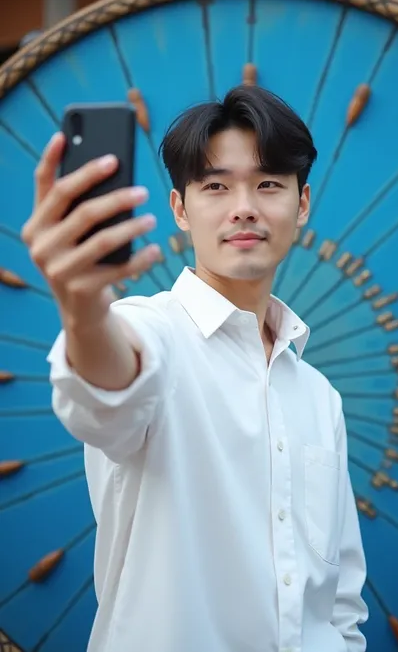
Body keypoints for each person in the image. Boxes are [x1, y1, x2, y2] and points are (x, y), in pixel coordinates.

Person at [22, 85, 368, 652]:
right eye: (215, 186)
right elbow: (111, 387)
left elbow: (340, 601)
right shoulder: (148, 330)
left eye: (268, 184)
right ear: (180, 208)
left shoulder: (318, 395)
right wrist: (82, 308)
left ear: (302, 204)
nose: (244, 207)